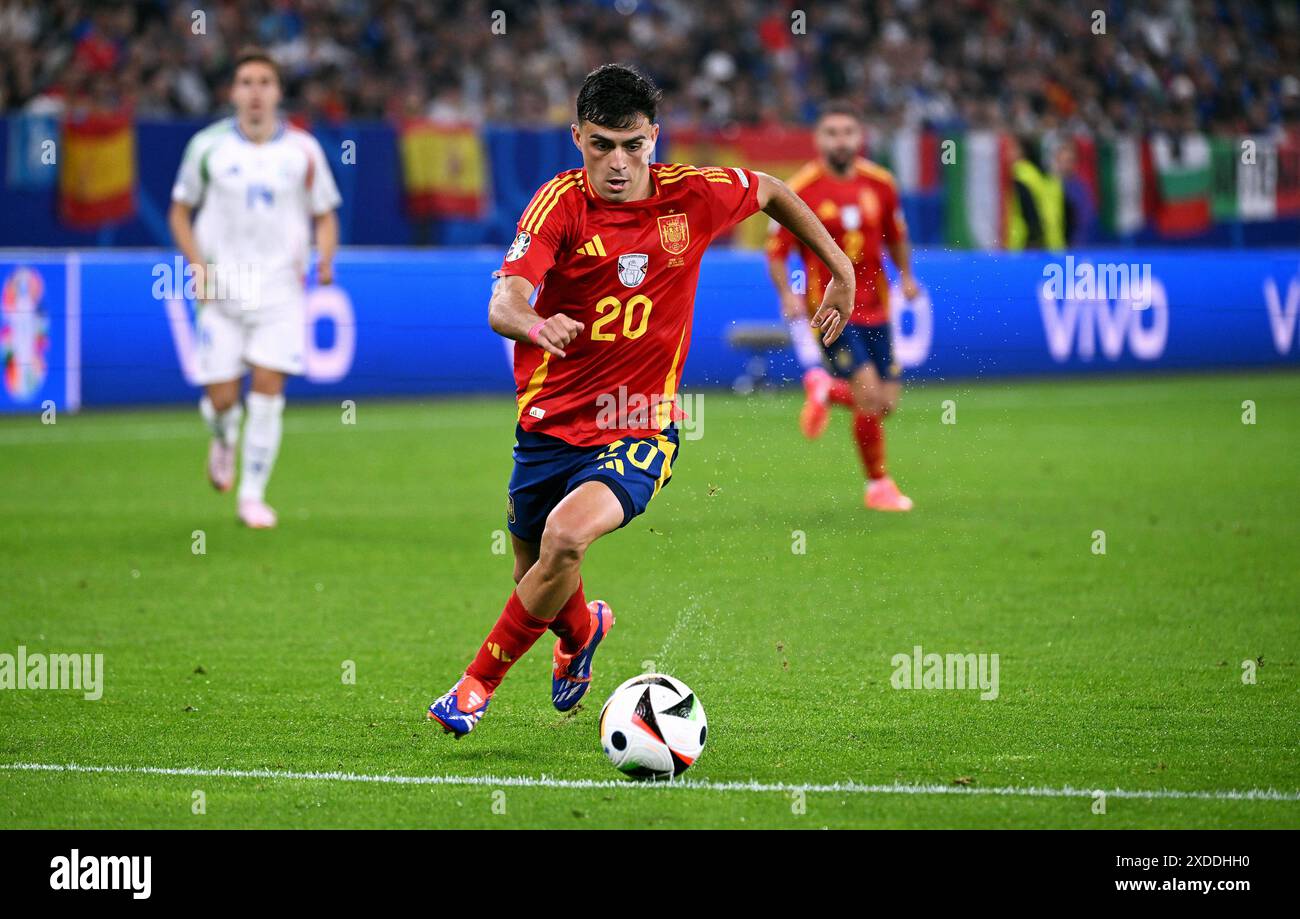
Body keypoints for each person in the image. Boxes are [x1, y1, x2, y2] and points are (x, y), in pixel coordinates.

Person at [426, 64, 854, 736]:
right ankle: (581, 632)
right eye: (601, 145)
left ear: (655, 137)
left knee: (564, 538)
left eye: (633, 145)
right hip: (547, 426)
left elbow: (772, 189)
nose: (618, 163)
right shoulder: (559, 205)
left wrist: (840, 267)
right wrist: (538, 325)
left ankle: (475, 684)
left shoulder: (696, 196)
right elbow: (504, 302)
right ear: (576, 138)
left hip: (640, 423)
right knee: (535, 570)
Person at [169, 48, 341, 528]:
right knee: (222, 399)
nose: (256, 90)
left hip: (280, 292)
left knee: (267, 390)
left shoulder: (303, 151)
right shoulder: (207, 148)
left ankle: (252, 495)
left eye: (265, 81)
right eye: (246, 81)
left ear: (278, 92)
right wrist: (198, 266)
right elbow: (179, 211)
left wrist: (325, 258)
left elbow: (324, 214)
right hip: (222, 292)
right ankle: (223, 436)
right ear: (233, 92)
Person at [766, 101, 917, 512]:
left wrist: (906, 276)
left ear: (859, 137)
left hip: (878, 307)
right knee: (868, 396)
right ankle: (878, 486)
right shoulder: (799, 189)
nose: (840, 140)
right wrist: (786, 294)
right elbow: (776, 250)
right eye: (832, 133)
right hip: (830, 309)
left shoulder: (881, 183)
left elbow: (896, 235)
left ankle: (825, 389)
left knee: (885, 402)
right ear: (818, 139)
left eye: (848, 132)